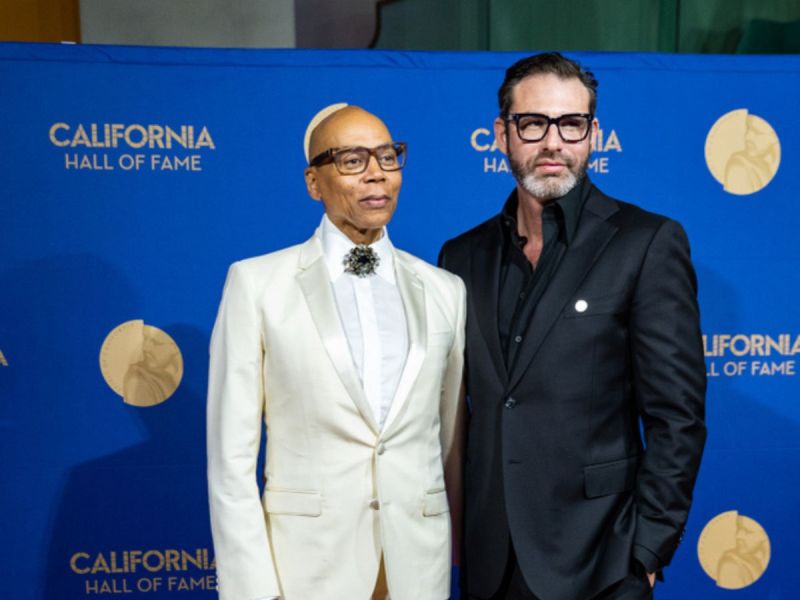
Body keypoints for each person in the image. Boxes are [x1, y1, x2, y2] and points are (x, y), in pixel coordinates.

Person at [438, 52, 707, 600]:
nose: (553, 142)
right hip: (491, 561)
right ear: (502, 134)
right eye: (533, 123)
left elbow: (677, 416)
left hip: (601, 561)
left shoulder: (645, 242)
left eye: (571, 124)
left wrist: (647, 550)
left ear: (593, 134)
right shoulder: (460, 257)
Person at [207, 105, 466, 600]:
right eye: (351, 159)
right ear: (313, 181)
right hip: (305, 568)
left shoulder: (446, 290)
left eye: (388, 157)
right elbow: (230, 460)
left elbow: (450, 438)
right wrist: (252, 589)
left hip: (417, 564)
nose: (376, 173)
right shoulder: (257, 284)